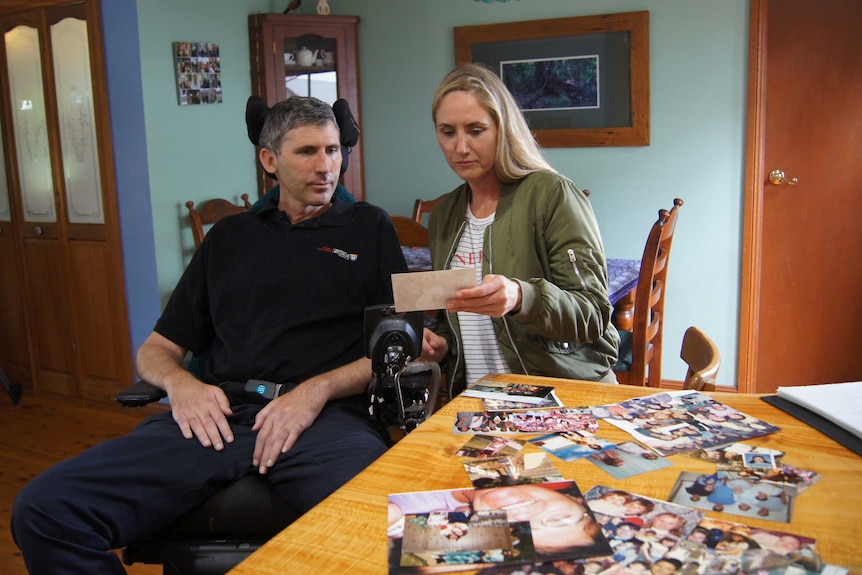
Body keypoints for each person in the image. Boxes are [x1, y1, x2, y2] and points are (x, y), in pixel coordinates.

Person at [11, 96, 408, 574]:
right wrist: (182, 385)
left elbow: (397, 345)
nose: (326, 167)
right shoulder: (228, 239)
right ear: (269, 160)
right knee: (45, 509)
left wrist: (313, 391)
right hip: (220, 418)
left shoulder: (369, 228)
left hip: (327, 421)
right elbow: (156, 350)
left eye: (333, 150)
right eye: (307, 152)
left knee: (393, 537)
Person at [420, 63, 619, 397]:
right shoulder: (444, 216)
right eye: (448, 131)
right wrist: (441, 344)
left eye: (476, 130)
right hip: (480, 402)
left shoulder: (552, 195)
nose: (461, 147)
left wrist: (521, 297)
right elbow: (455, 317)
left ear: (503, 129)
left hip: (561, 396)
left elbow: (593, 314)